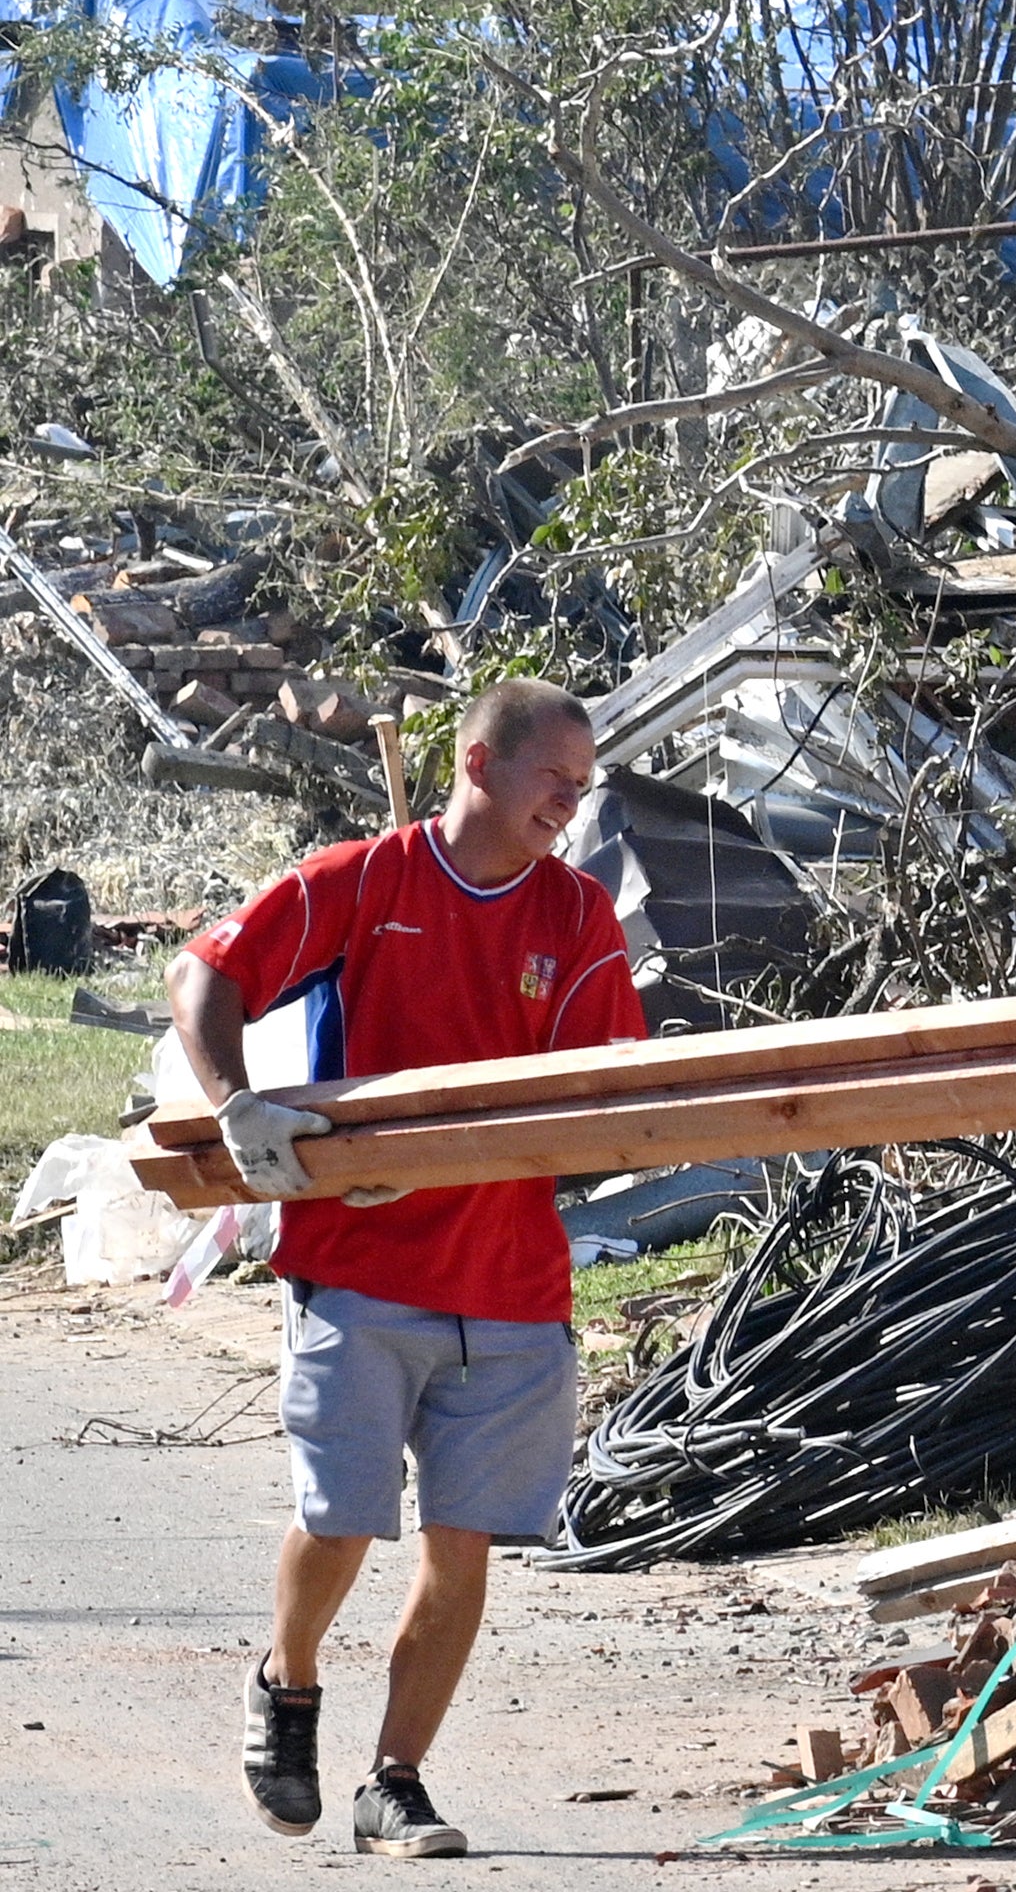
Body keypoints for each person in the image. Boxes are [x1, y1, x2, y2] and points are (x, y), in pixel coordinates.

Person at [170, 676, 645, 1860]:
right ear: (480, 764)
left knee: (463, 1540)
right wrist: (239, 1110)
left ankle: (398, 1778)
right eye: (555, 780)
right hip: (361, 1266)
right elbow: (206, 974)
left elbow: (607, 1083)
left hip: (509, 1278)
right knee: (340, 1518)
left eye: (583, 790)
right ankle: (286, 1681)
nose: (570, 807)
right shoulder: (369, 878)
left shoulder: (577, 914)